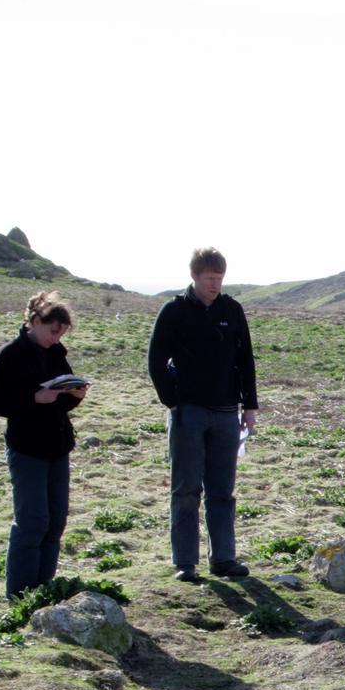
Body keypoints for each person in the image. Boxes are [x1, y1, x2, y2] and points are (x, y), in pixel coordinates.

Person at [146, 246, 258, 581]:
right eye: (210, 278)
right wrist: (173, 401)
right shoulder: (174, 311)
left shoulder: (232, 310)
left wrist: (249, 406)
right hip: (189, 413)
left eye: (220, 278)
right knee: (186, 490)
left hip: (226, 413)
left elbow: (246, 360)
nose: (215, 285)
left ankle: (223, 559)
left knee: (222, 490)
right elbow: (155, 360)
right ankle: (185, 563)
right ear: (195, 276)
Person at [0, 291, 87, 600]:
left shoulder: (56, 354)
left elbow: (60, 404)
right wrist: (33, 398)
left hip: (57, 446)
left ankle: (43, 589)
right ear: (36, 322)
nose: (57, 339)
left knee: (56, 520)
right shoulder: (9, 355)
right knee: (32, 522)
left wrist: (74, 396)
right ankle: (19, 596)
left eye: (62, 334)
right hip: (26, 448)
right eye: (54, 331)